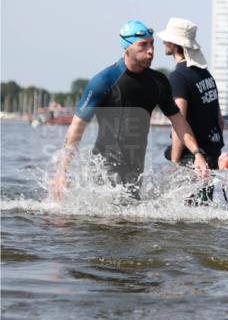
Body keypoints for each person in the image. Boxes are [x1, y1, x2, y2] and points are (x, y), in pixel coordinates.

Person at [50, 21, 209, 201]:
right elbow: (77, 127)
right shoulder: (104, 80)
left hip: (136, 168)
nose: (151, 50)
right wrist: (61, 172)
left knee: (131, 221)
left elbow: (178, 121)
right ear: (126, 48)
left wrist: (198, 154)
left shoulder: (159, 82)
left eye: (152, 44)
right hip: (105, 167)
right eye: (143, 45)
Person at [158, 17, 224, 203]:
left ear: (173, 43)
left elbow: (179, 123)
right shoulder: (206, 74)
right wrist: (214, 152)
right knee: (204, 209)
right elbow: (219, 120)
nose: (163, 42)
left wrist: (175, 162)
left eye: (166, 39)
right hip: (211, 151)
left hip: (193, 156)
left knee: (187, 214)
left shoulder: (178, 77)